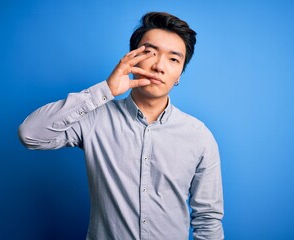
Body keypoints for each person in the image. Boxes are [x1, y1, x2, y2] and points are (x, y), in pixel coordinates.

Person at [19, 12, 224, 240]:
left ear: (179, 74)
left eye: (173, 59)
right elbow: (30, 135)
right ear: (131, 57)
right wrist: (106, 90)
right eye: (149, 53)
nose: (158, 66)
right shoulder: (95, 118)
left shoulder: (199, 136)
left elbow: (208, 219)